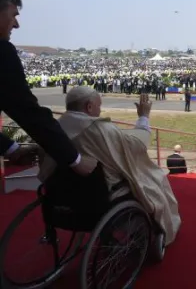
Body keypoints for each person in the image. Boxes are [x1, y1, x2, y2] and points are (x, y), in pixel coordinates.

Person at [38, 87, 181, 245]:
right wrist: (143, 117)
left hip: (59, 194)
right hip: (98, 193)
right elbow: (136, 145)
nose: (100, 111)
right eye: (98, 106)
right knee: (155, 177)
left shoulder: (55, 128)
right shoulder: (99, 129)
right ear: (89, 107)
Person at [0, 0, 95, 176]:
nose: (16, 24)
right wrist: (75, 160)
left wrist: (12, 149)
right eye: (13, 15)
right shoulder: (2, 52)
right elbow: (28, 112)